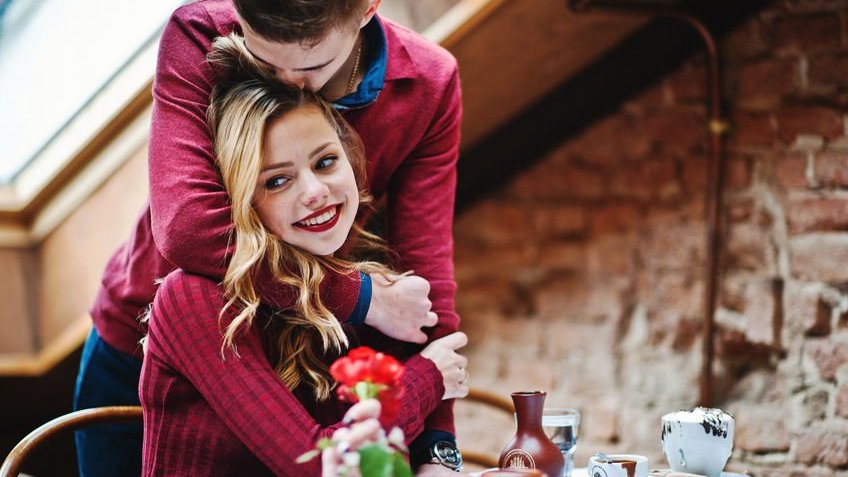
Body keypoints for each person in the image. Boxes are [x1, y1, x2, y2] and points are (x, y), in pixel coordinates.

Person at [74, 0, 463, 475]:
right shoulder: (201, 31)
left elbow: (424, 287)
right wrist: (360, 299)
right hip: (161, 325)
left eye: (312, 66)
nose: (283, 86)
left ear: (367, 9)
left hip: (298, 337)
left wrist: (438, 451)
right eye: (262, 63)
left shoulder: (431, 83)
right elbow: (186, 229)